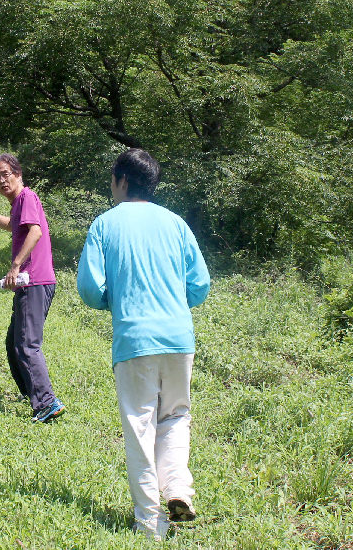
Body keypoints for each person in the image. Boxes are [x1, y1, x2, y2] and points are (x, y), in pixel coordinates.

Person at [76, 148, 210, 541]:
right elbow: (199, 285)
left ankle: (151, 522)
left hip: (134, 339)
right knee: (175, 417)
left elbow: (88, 288)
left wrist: (111, 301)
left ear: (121, 181)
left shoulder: (104, 224)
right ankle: (179, 489)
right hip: (179, 338)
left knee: (139, 426)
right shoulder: (176, 223)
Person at [0, 154, 66, 423]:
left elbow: (35, 232)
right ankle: (31, 392)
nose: (1, 180)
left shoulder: (27, 197)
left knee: (27, 344)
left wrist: (16, 266)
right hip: (29, 282)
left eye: (5, 173)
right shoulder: (18, 203)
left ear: (18, 174)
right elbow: (14, 225)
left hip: (34, 280)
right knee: (13, 343)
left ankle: (47, 403)